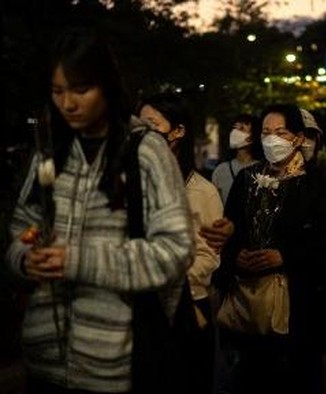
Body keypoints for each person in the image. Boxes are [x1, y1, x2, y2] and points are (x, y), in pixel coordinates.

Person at [5, 28, 193, 393]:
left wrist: (77, 261)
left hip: (117, 366)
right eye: (58, 91)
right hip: (44, 361)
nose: (68, 104)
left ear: (106, 86)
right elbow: (20, 228)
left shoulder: (145, 150)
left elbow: (175, 250)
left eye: (80, 90)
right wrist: (26, 259)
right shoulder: (50, 150)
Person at [218, 104, 326, 393]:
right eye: (265, 132)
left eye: (280, 132)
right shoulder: (247, 179)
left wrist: (284, 256)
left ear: (298, 138)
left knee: (298, 376)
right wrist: (236, 254)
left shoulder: (317, 183)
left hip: (299, 302)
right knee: (252, 374)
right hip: (251, 300)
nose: (271, 139)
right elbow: (231, 227)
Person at [138, 91, 222, 393]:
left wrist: (169, 280)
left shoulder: (202, 191)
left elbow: (209, 255)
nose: (143, 135)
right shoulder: (131, 184)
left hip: (188, 307)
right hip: (142, 308)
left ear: (178, 131)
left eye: (152, 125)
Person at [210, 114, 261, 204]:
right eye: (234, 128)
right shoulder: (220, 170)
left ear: (252, 137)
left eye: (241, 129)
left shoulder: (263, 170)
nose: (234, 132)